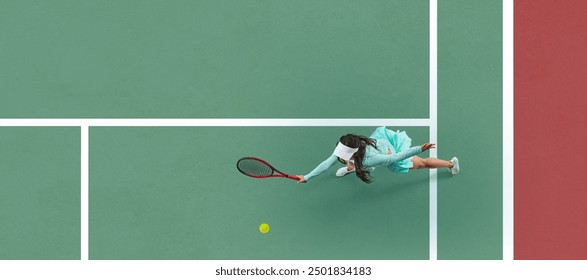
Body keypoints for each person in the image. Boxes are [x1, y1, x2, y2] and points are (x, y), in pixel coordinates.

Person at [296, 127, 459, 183]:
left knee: (423, 163)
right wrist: (307, 176)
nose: (338, 155)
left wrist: (419, 149)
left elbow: (395, 158)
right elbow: (327, 163)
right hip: (379, 144)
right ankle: (351, 167)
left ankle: (451, 164)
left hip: (389, 154)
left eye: (343, 154)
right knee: (347, 161)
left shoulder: (370, 159)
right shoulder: (348, 145)